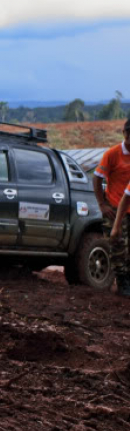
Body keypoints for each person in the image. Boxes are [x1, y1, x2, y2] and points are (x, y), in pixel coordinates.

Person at [94, 118, 130, 297]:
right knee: (118, 244)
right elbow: (97, 177)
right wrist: (102, 204)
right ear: (124, 133)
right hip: (115, 206)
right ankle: (122, 281)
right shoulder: (112, 154)